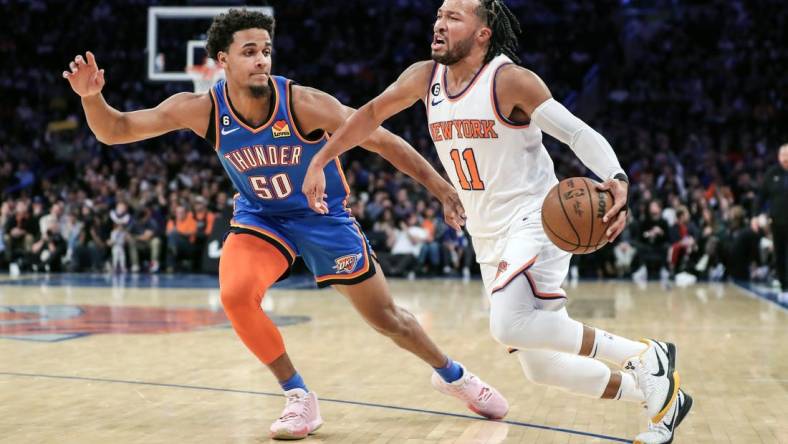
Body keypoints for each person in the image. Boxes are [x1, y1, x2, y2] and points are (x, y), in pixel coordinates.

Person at [63, 8, 507, 440]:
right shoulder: (200, 109)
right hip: (262, 218)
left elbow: (382, 140)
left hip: (322, 218)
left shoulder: (304, 103)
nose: (261, 59)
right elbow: (116, 130)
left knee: (388, 319)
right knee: (236, 295)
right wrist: (91, 98)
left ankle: (452, 375)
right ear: (221, 60)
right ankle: (298, 395)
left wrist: (442, 188)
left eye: (266, 51)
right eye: (249, 51)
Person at [301, 1, 691, 443]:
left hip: (536, 219)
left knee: (506, 325)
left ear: (483, 33)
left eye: (454, 17)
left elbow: (576, 132)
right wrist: (322, 159)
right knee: (542, 366)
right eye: (439, 14)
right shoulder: (423, 78)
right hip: (486, 232)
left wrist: (616, 176)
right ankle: (659, 398)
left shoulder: (509, 81)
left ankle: (645, 354)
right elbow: (369, 115)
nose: (439, 24)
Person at [760, 143, 788, 295]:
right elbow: (761, 196)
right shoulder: (772, 173)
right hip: (777, 222)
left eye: (787, 155)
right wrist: (756, 215)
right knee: (780, 254)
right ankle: (784, 285)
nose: (785, 158)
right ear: (778, 157)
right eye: (782, 155)